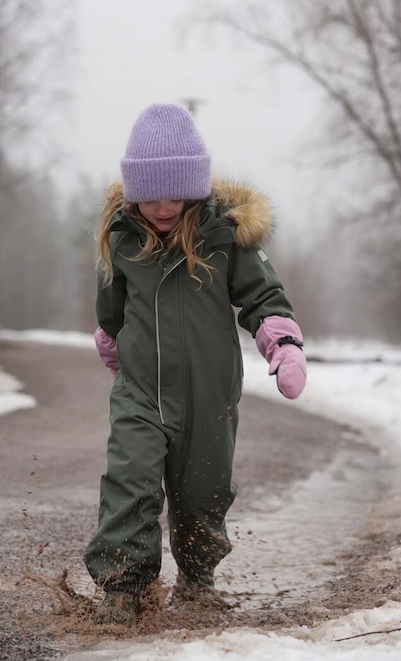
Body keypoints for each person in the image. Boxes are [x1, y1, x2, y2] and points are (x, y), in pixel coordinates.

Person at [84, 103, 307, 626]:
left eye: (175, 194)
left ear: (196, 187)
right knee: (130, 484)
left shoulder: (225, 237)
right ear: (134, 192)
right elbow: (111, 312)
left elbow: (263, 298)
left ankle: (198, 577)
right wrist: (112, 345)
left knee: (202, 495)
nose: (163, 207)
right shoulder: (122, 240)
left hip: (210, 396)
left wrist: (283, 345)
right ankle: (123, 589)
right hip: (140, 392)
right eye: (151, 195)